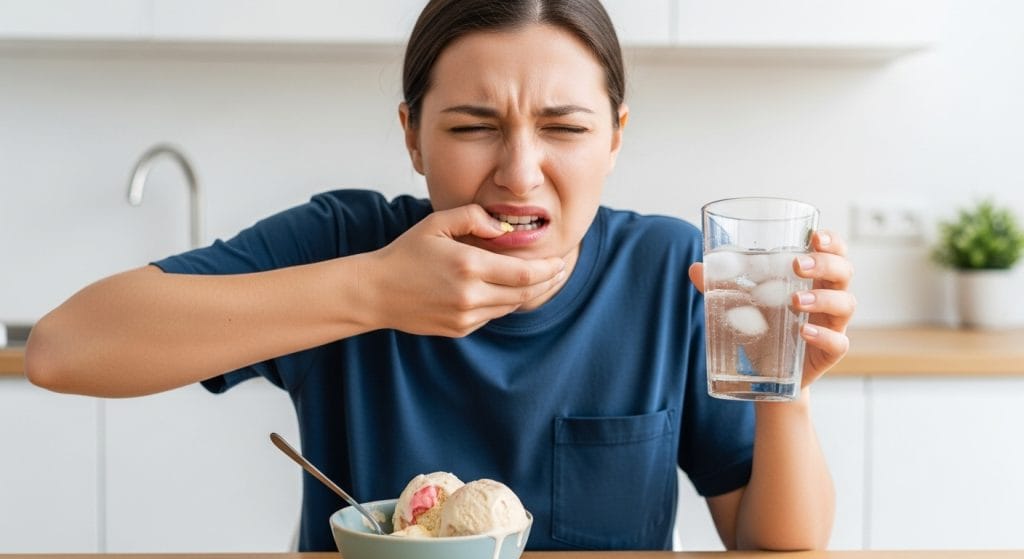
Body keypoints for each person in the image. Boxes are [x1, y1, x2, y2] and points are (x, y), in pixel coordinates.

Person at [26, 0, 854, 552]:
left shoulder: (671, 270)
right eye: (473, 126)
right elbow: (65, 348)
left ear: (614, 137)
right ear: (414, 135)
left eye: (563, 126)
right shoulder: (348, 239)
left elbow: (774, 544)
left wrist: (789, 388)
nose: (520, 173)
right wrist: (377, 288)